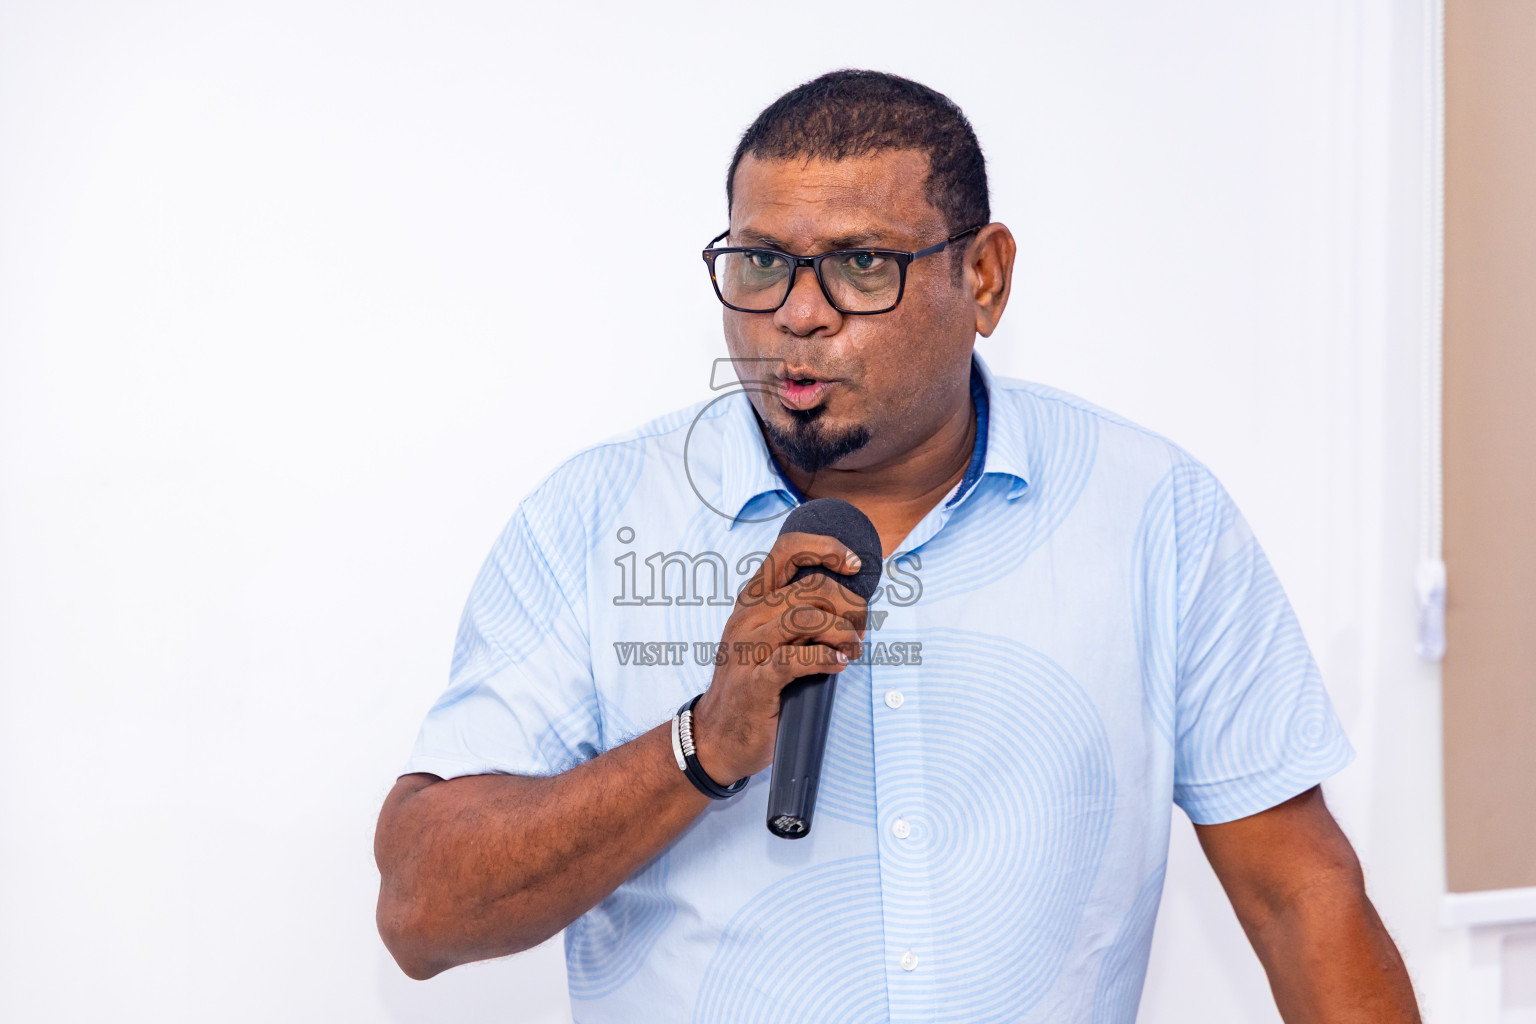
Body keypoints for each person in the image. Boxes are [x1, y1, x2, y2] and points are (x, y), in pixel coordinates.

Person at [374, 69, 1421, 1022]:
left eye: (861, 265)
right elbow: (422, 907)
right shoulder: (596, 519)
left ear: (987, 279)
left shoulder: (1153, 512)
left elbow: (1300, 897)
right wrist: (703, 744)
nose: (797, 315)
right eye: (762, 262)